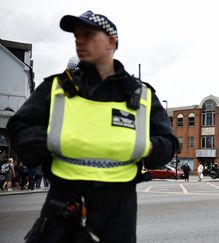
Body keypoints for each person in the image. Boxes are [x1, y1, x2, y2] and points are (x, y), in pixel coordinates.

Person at [6, 10, 177, 243]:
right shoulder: (58, 88)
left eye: (88, 34)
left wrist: (144, 146)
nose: (79, 40)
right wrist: (49, 141)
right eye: (76, 35)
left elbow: (168, 145)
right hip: (63, 204)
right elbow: (18, 127)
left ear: (111, 42)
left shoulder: (141, 95)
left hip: (117, 211)